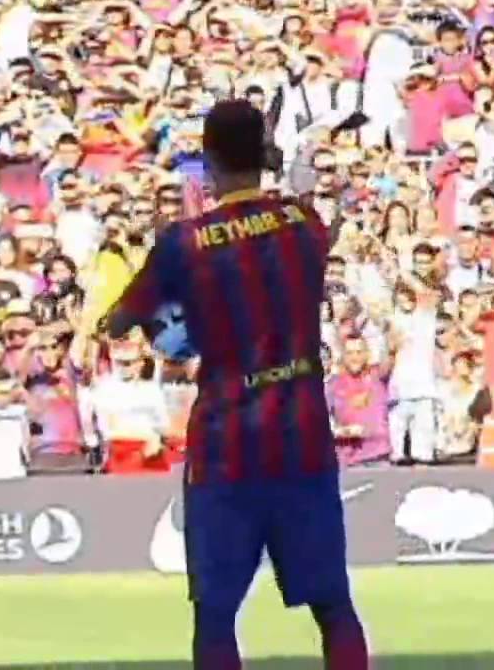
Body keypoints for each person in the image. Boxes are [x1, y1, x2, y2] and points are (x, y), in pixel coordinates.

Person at [103, 100, 369, 670]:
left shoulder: (185, 243)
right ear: (264, 153)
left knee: (216, 613)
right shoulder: (305, 223)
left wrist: (167, 322)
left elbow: (122, 319)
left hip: (228, 438)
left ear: (209, 159)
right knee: (332, 603)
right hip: (301, 430)